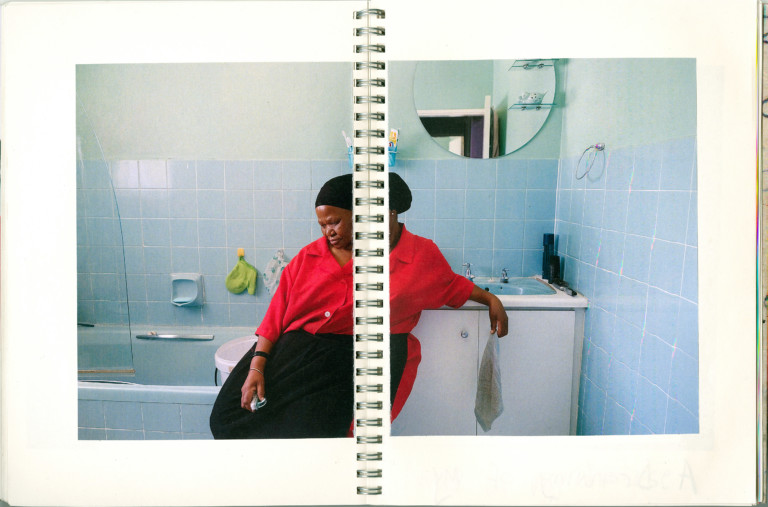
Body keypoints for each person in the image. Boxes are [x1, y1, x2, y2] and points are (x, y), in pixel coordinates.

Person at [209, 173, 508, 439]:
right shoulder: (309, 256)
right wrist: (257, 365)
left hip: (348, 361)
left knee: (318, 437)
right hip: (295, 351)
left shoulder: (412, 254)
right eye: (323, 225)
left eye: (335, 222)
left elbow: (451, 284)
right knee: (226, 417)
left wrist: (491, 299)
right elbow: (275, 316)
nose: (329, 231)